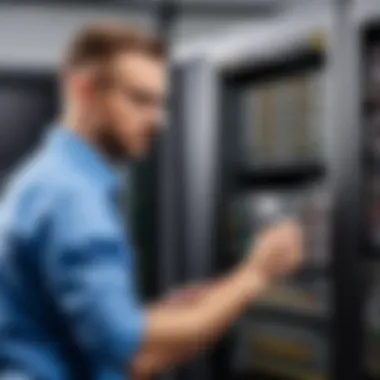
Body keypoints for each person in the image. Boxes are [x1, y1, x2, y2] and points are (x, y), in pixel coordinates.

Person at [0, 23, 303, 380]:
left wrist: (174, 313)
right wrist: (257, 274)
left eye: (161, 103)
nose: (158, 121)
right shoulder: (72, 198)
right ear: (85, 92)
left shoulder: (45, 179)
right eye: (140, 100)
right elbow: (136, 355)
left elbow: (87, 331)